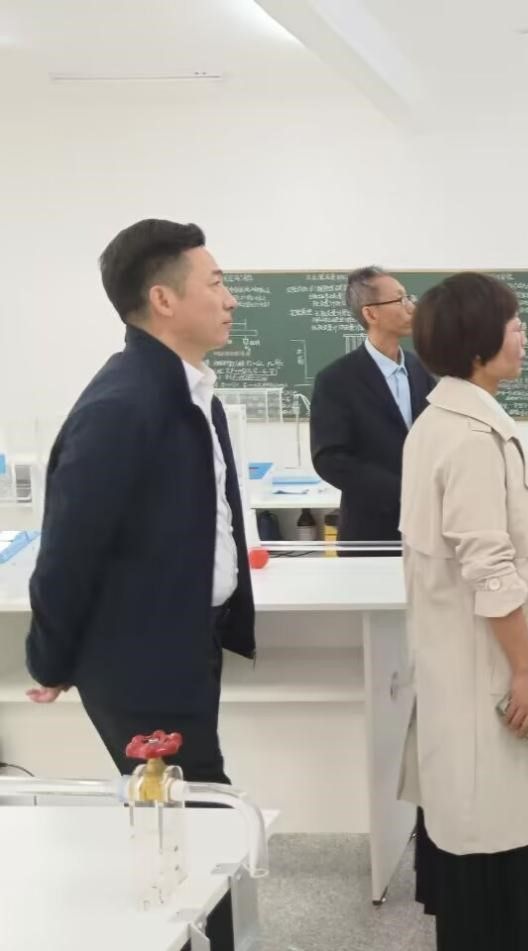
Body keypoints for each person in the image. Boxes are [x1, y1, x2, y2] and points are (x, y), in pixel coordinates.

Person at [24, 219, 255, 784]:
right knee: (190, 809)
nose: (230, 300)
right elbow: (68, 549)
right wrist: (50, 659)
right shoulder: (124, 405)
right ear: (163, 300)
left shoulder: (189, 395)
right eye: (215, 284)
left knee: (185, 807)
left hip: (184, 639)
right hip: (142, 656)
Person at [398, 273, 528, 951]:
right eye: (512, 324)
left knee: (496, 826)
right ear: (477, 344)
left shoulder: (456, 422)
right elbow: (490, 571)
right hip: (495, 673)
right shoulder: (469, 437)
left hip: (477, 670)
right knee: (494, 841)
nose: (524, 335)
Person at [310, 267, 433, 554]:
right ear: (371, 313)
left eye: (409, 297)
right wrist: (401, 491)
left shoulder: (420, 369)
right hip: (370, 529)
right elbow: (330, 459)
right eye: (400, 299)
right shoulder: (336, 379)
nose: (410, 307)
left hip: (425, 526)